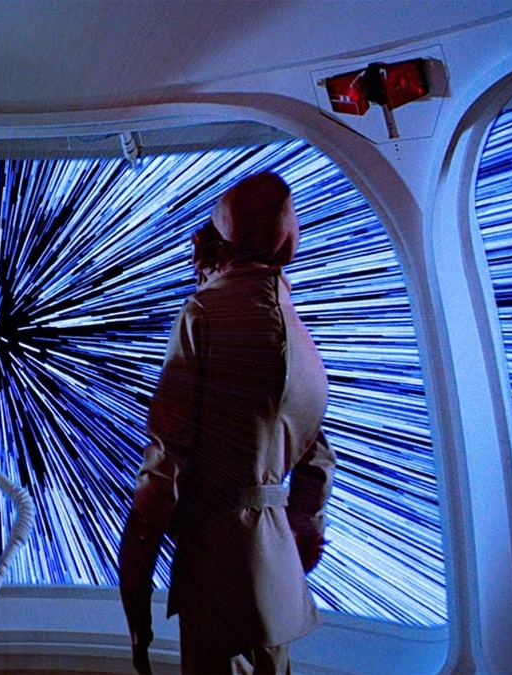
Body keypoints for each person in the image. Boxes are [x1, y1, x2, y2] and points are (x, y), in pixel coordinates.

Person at [118, 171, 336, 674]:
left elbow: (165, 463)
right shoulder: (301, 337)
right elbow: (317, 464)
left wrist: (136, 579)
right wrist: (297, 537)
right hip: (278, 577)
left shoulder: (203, 314)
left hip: (214, 567)